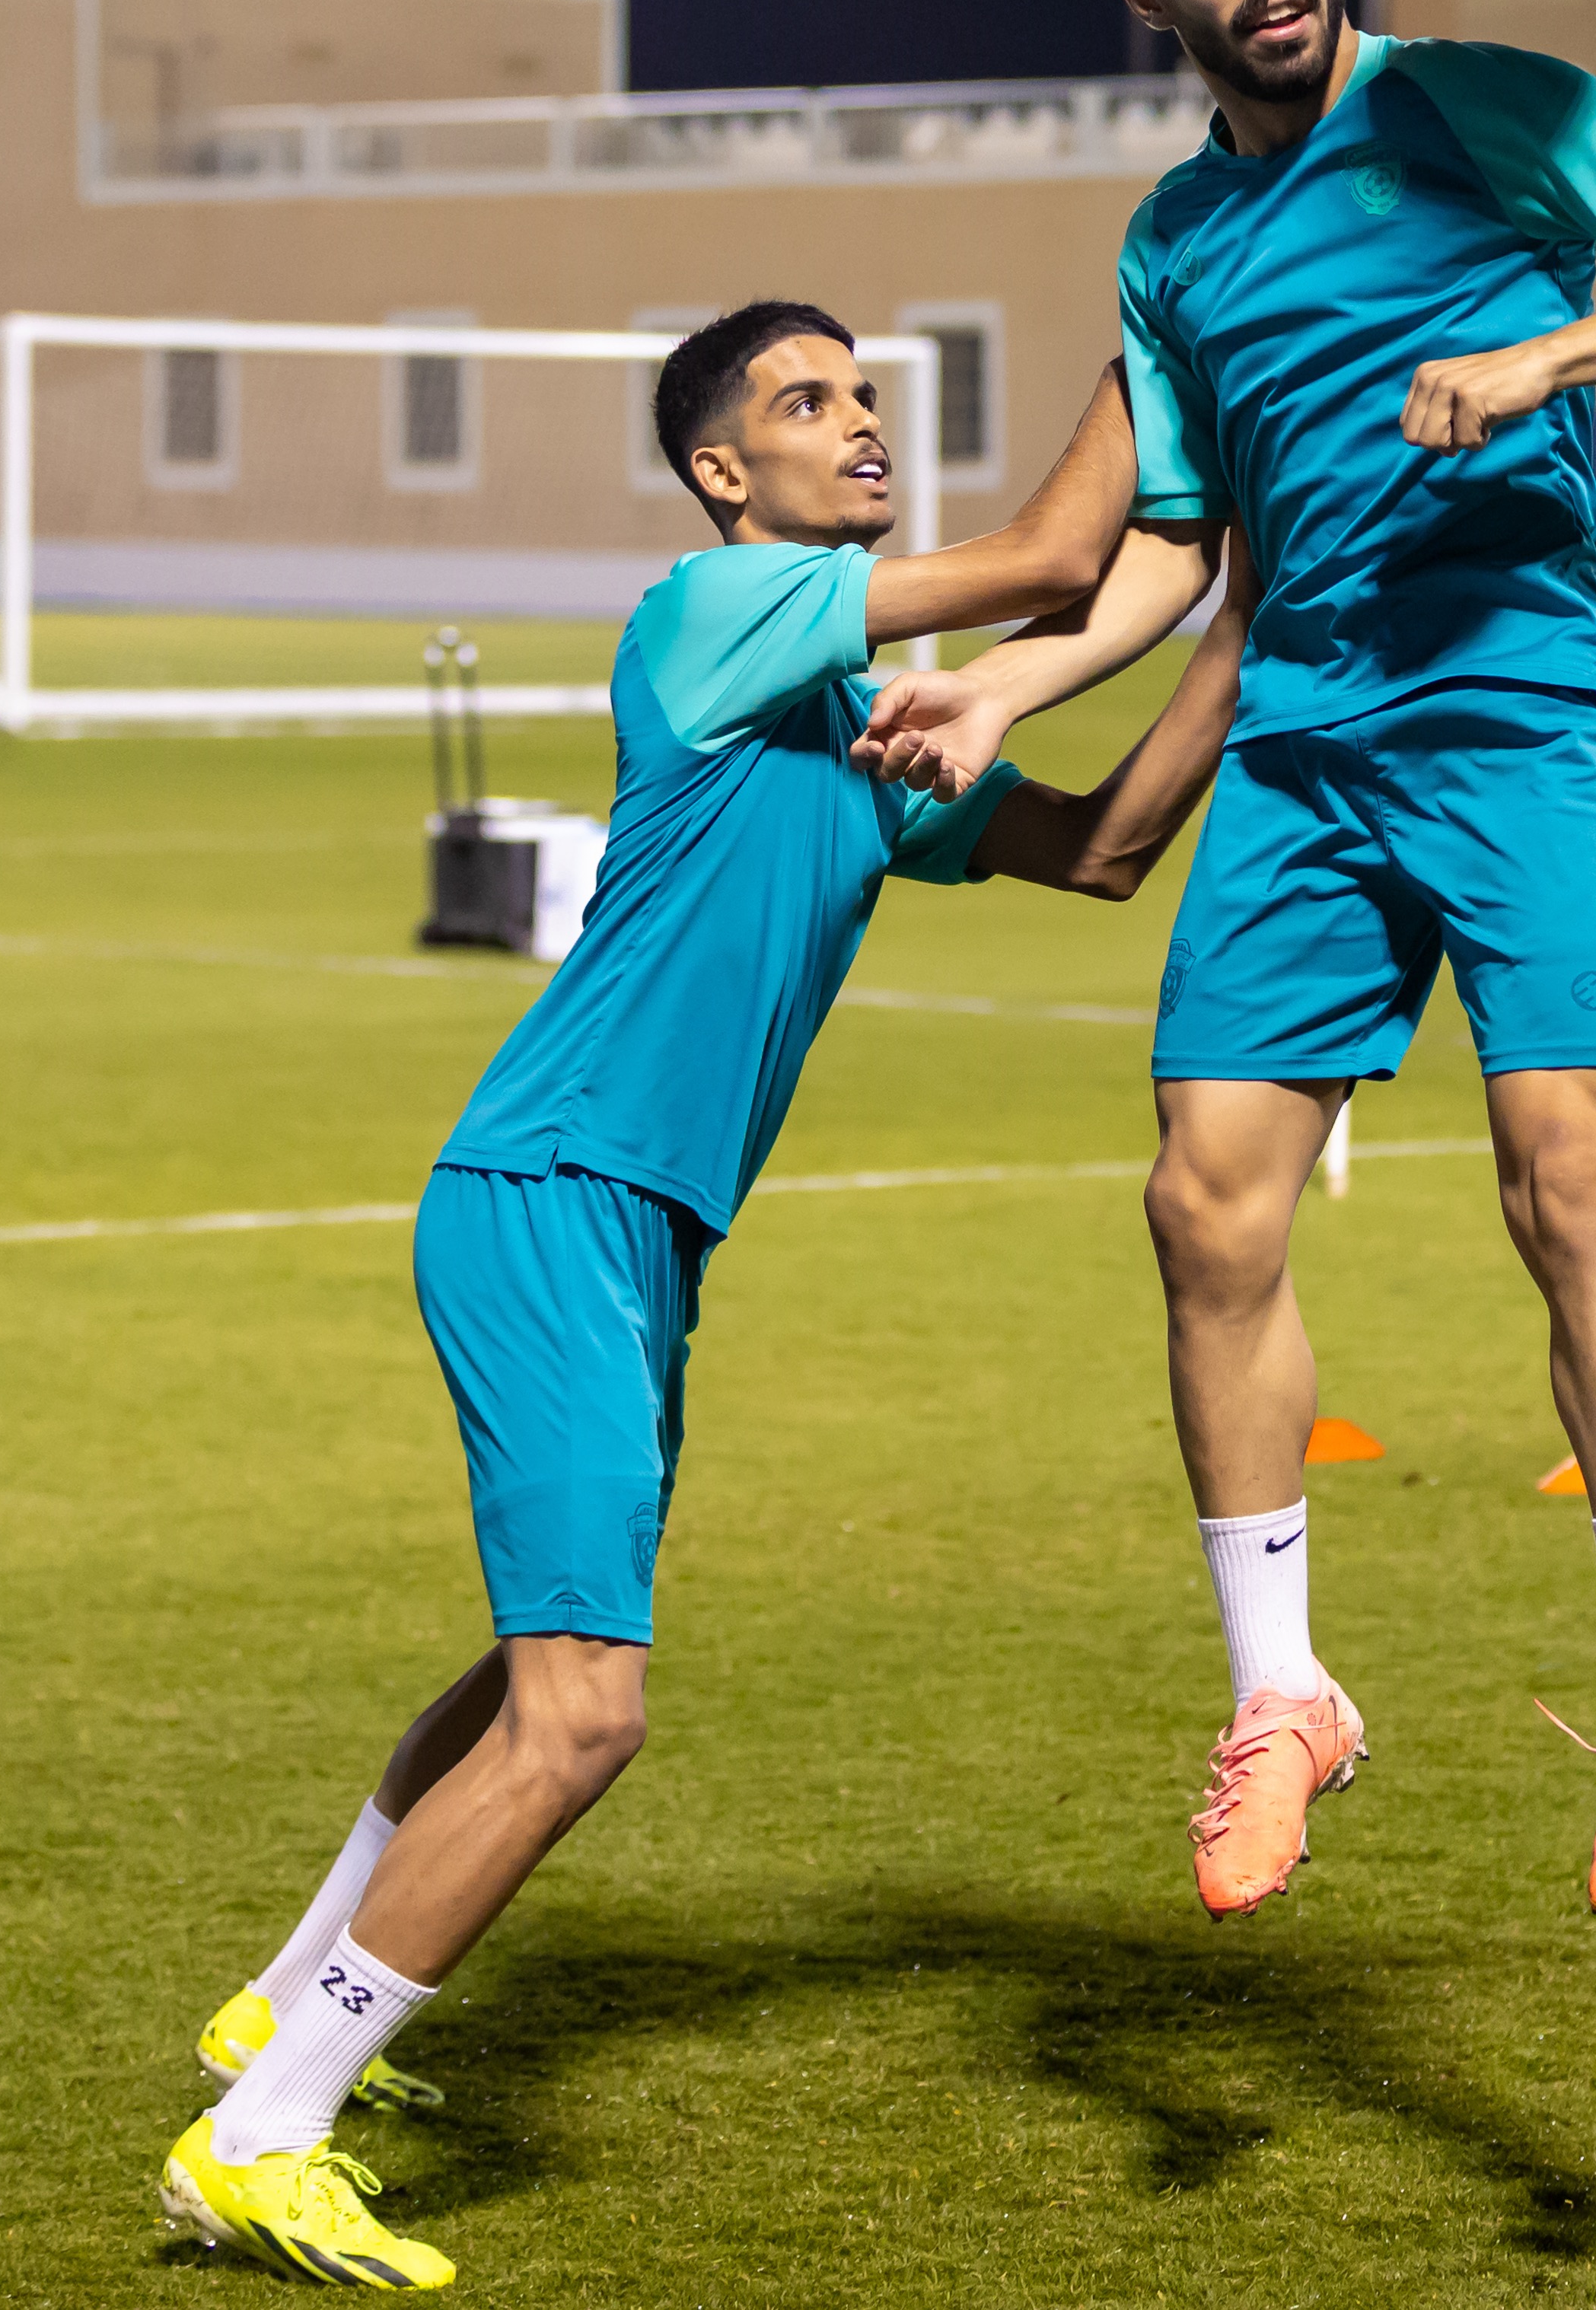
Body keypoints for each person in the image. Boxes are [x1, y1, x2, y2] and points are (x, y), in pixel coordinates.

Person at [160, 303, 1250, 2290]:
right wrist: (1168, 319)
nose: (855, 426)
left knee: (525, 1672)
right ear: (720, 474)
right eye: (804, 404)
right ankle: (265, 2125)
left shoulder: (846, 724)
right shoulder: (720, 608)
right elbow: (1041, 564)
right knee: (586, 1718)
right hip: (550, 1192)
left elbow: (1103, 847)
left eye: (863, 397)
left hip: (637, 1231)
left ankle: (273, 2004)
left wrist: (1255, 608)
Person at [856, 0, 1596, 1931]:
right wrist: (1015, 690)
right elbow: (1174, 548)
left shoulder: (1492, 106)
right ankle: (1280, 1692)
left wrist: (1547, 355)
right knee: (1200, 1200)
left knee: (1562, 1173)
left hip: (1516, 711)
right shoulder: (1170, 242)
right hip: (1302, 740)